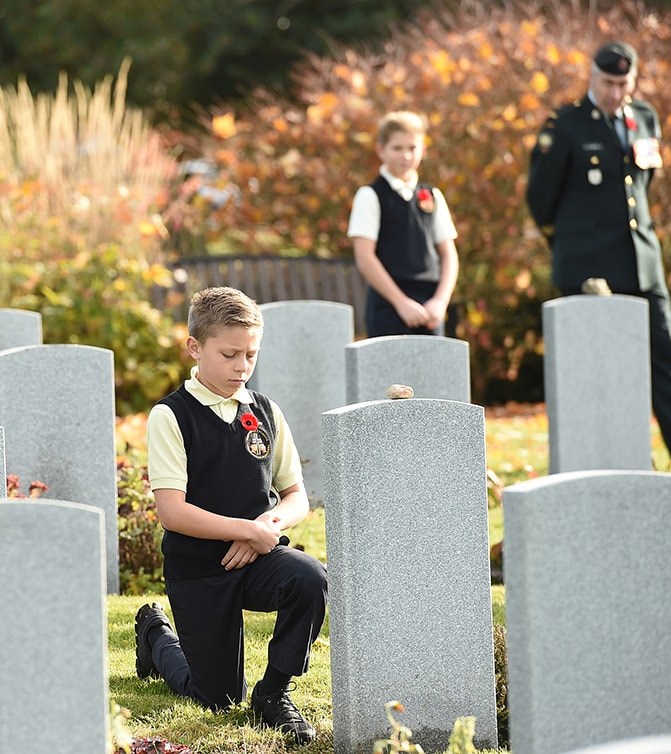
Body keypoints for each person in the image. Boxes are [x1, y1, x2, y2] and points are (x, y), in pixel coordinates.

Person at [134, 286, 327, 745]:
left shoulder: (266, 412)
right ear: (195, 348)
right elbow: (171, 511)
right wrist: (247, 529)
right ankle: (156, 636)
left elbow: (296, 495)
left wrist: (265, 529)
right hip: (199, 568)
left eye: (251, 355)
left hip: (258, 558)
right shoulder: (171, 416)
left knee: (310, 578)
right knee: (217, 697)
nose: (242, 367)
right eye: (230, 354)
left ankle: (273, 692)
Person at [526, 40, 671, 467]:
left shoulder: (643, 119)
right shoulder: (564, 125)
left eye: (623, 84)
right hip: (588, 268)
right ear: (591, 76)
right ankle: (594, 464)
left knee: (667, 364)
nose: (615, 93)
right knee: (592, 373)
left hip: (642, 263)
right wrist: (573, 246)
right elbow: (540, 201)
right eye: (607, 82)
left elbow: (641, 187)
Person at [347, 110, 459, 337]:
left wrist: (440, 301)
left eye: (412, 148)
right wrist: (401, 303)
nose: (406, 156)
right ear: (381, 149)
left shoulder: (432, 195)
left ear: (423, 150)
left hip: (430, 309)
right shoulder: (371, 195)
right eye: (398, 148)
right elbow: (365, 257)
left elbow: (449, 255)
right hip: (389, 308)